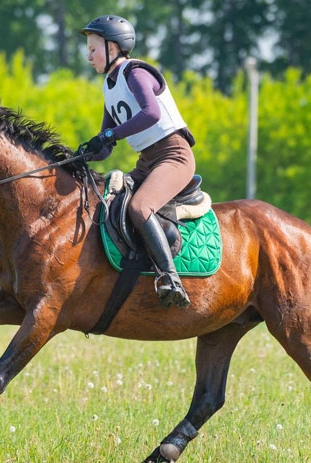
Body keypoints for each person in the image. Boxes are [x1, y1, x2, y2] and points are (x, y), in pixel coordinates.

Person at [78, 15, 196, 309]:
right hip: (147, 162)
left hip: (174, 156)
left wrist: (109, 134)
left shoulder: (135, 73)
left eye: (94, 49)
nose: (88, 55)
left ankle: (171, 279)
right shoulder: (109, 85)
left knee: (140, 207)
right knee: (106, 200)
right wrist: (83, 154)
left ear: (114, 47)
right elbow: (107, 145)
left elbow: (151, 113)